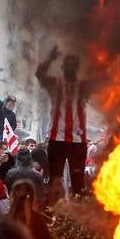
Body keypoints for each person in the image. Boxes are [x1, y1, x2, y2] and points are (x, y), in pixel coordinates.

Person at [36, 45, 94, 203]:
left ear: (76, 67)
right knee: (54, 181)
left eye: (72, 65)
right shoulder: (55, 84)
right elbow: (40, 74)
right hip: (57, 140)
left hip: (77, 142)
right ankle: (52, 214)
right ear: (62, 67)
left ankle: (77, 219)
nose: (70, 68)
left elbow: (103, 80)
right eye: (67, 65)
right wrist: (50, 58)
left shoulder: (83, 87)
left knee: (78, 184)